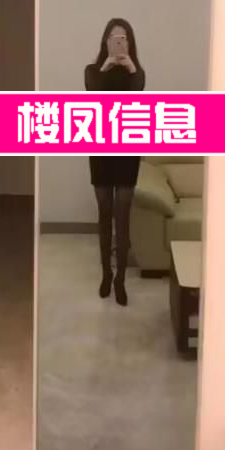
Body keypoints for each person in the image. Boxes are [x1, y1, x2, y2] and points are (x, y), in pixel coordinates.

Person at [85, 18, 145, 306]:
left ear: (129, 43)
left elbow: (138, 98)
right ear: (105, 42)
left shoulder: (136, 73)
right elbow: (92, 95)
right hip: (100, 151)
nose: (119, 42)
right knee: (104, 215)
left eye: (123, 38)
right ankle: (105, 275)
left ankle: (120, 279)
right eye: (114, 38)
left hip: (128, 152)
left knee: (122, 217)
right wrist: (107, 66)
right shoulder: (92, 71)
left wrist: (131, 66)